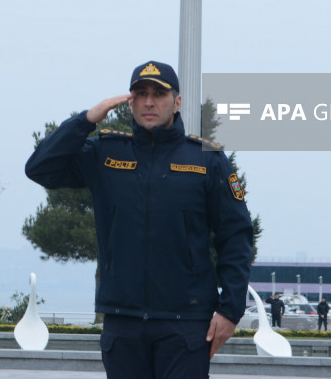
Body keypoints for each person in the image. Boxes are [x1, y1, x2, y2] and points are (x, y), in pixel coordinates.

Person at [25, 60, 255, 379]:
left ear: (176, 102)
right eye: (141, 93)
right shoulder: (105, 154)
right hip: (123, 323)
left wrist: (230, 310)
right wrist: (87, 120)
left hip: (187, 325)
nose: (149, 101)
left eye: (159, 94)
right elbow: (39, 168)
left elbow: (237, 237)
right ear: (130, 100)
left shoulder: (206, 160)